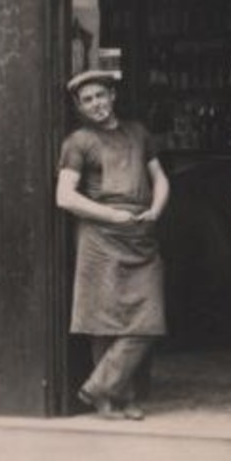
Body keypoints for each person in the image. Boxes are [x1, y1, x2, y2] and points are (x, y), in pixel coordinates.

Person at [55, 69, 170, 420]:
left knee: (148, 319)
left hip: (140, 233)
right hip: (100, 236)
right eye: (87, 100)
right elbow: (65, 197)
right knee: (103, 320)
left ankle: (100, 386)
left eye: (100, 96)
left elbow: (160, 179)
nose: (96, 104)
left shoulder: (138, 133)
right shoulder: (78, 142)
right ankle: (116, 398)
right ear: (79, 106)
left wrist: (155, 210)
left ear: (112, 96)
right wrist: (109, 215)